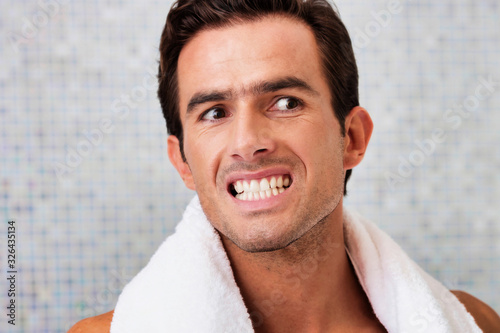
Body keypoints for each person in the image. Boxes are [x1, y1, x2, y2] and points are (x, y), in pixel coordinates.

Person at [69, 0, 500, 332]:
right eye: (215, 113)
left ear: (351, 138)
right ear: (182, 161)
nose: (248, 143)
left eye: (285, 103)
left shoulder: (476, 323)